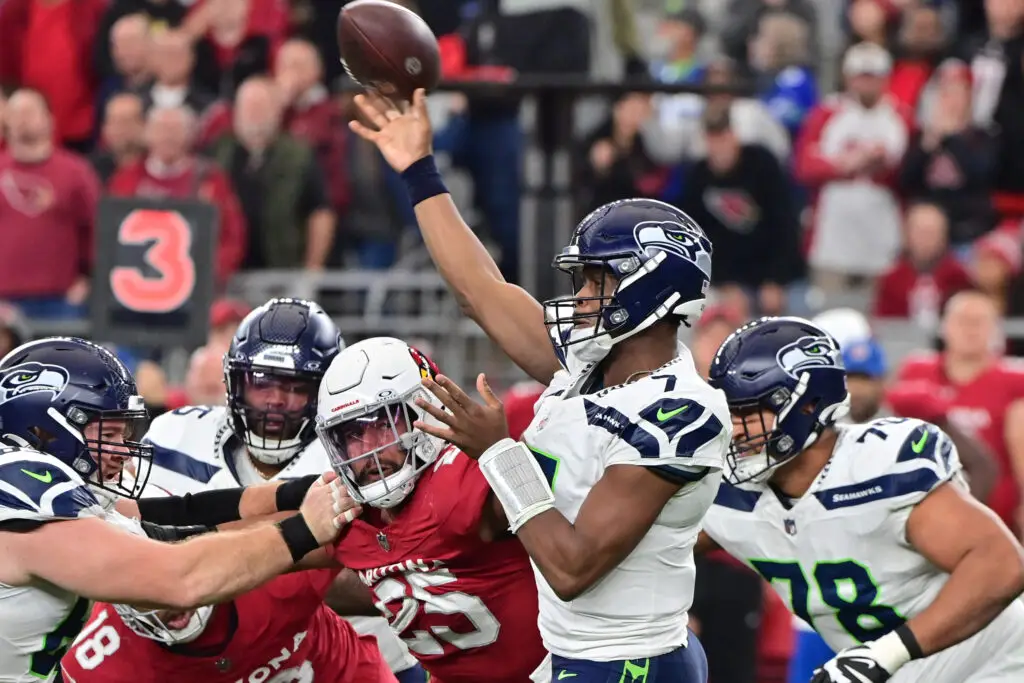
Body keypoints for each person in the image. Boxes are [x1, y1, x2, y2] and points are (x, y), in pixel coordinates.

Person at [349, 89, 729, 682]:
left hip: (631, 664)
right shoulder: (589, 367)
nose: (578, 299)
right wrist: (419, 171)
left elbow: (571, 567)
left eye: (594, 282)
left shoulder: (681, 411)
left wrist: (499, 452)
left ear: (652, 289)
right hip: (571, 657)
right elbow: (481, 292)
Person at [0, 336, 354, 682]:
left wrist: (296, 493)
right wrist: (306, 528)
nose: (122, 452)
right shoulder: (24, 489)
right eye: (108, 436)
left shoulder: (36, 488)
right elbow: (179, 580)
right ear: (42, 430)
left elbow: (176, 516)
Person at [700, 316, 1024, 683]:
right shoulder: (724, 491)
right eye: (729, 410)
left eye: (750, 410)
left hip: (993, 665)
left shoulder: (876, 467)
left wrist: (885, 653)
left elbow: (1001, 564)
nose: (736, 427)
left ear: (809, 405)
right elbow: (647, 548)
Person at [142, 298, 425, 683]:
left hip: (354, 665)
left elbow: (388, 577)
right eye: (261, 383)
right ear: (234, 382)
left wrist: (230, 568)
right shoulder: (176, 434)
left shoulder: (357, 453)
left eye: (293, 387)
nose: (275, 401)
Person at [311, 337, 546, 683]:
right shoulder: (344, 513)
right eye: (351, 433)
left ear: (425, 409)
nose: (368, 450)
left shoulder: (465, 483)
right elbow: (279, 565)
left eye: (382, 423)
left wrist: (501, 455)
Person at [60, 560, 396, 683]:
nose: (167, 600)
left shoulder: (268, 566)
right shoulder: (99, 662)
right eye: (145, 593)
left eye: (170, 577)